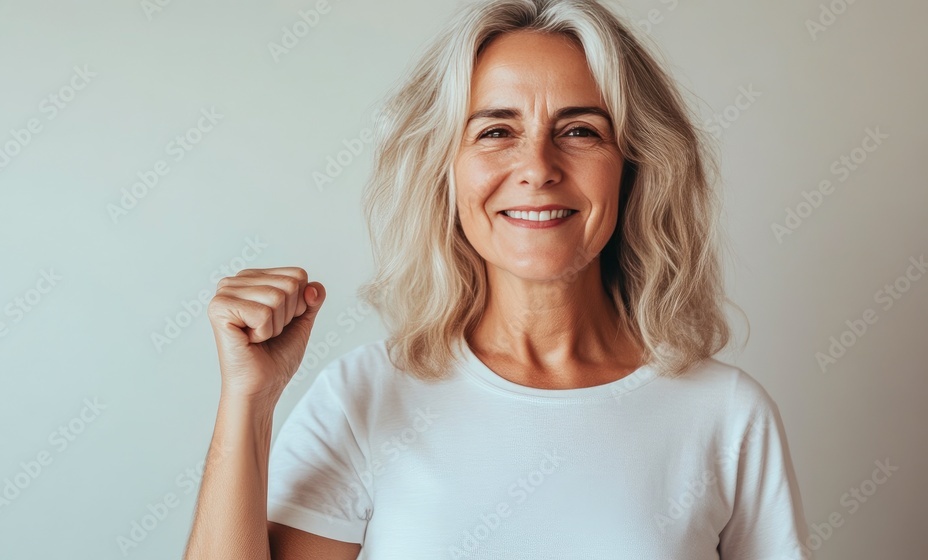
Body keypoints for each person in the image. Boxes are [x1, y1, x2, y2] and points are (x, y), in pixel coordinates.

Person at [183, 0, 809, 558]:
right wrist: (250, 400)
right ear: (445, 171)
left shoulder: (726, 414)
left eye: (579, 131)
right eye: (496, 132)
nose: (537, 167)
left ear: (635, 165)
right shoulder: (363, 398)